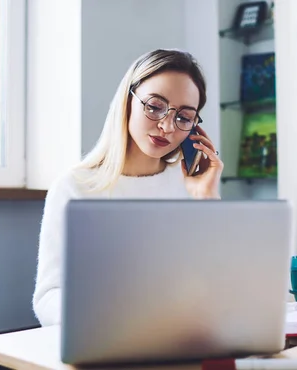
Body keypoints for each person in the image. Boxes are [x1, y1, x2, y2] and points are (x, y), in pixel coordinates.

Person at [32, 49, 224, 326]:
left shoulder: (192, 186)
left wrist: (207, 200)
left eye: (184, 117)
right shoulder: (74, 188)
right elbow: (48, 297)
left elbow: (222, 285)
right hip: (108, 339)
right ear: (127, 101)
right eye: (155, 106)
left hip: (186, 336)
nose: (167, 126)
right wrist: (106, 321)